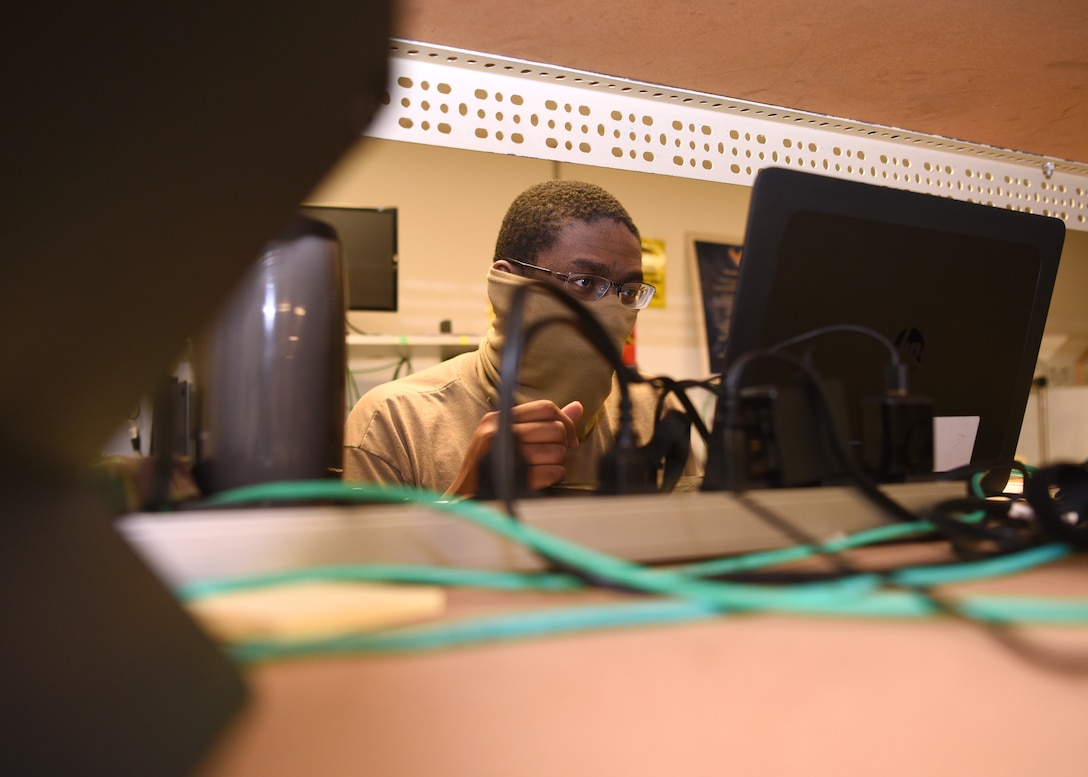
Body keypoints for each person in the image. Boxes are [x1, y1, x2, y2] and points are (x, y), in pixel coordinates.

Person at [342, 179, 687, 497]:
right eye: (585, 282)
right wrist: (467, 495)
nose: (613, 310)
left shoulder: (653, 412)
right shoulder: (395, 422)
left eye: (628, 290)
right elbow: (371, 564)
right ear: (508, 285)